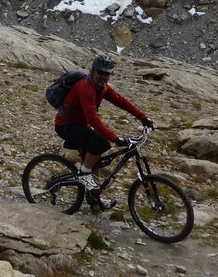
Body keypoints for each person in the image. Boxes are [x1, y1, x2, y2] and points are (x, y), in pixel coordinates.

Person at [54, 54, 154, 209]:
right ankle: (83, 175)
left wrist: (143, 118)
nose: (103, 76)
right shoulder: (85, 87)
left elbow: (121, 101)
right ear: (92, 71)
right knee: (100, 144)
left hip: (78, 125)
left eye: (107, 74)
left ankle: (95, 201)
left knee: (96, 161)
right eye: (100, 72)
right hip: (66, 125)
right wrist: (115, 138)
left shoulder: (101, 87)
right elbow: (93, 119)